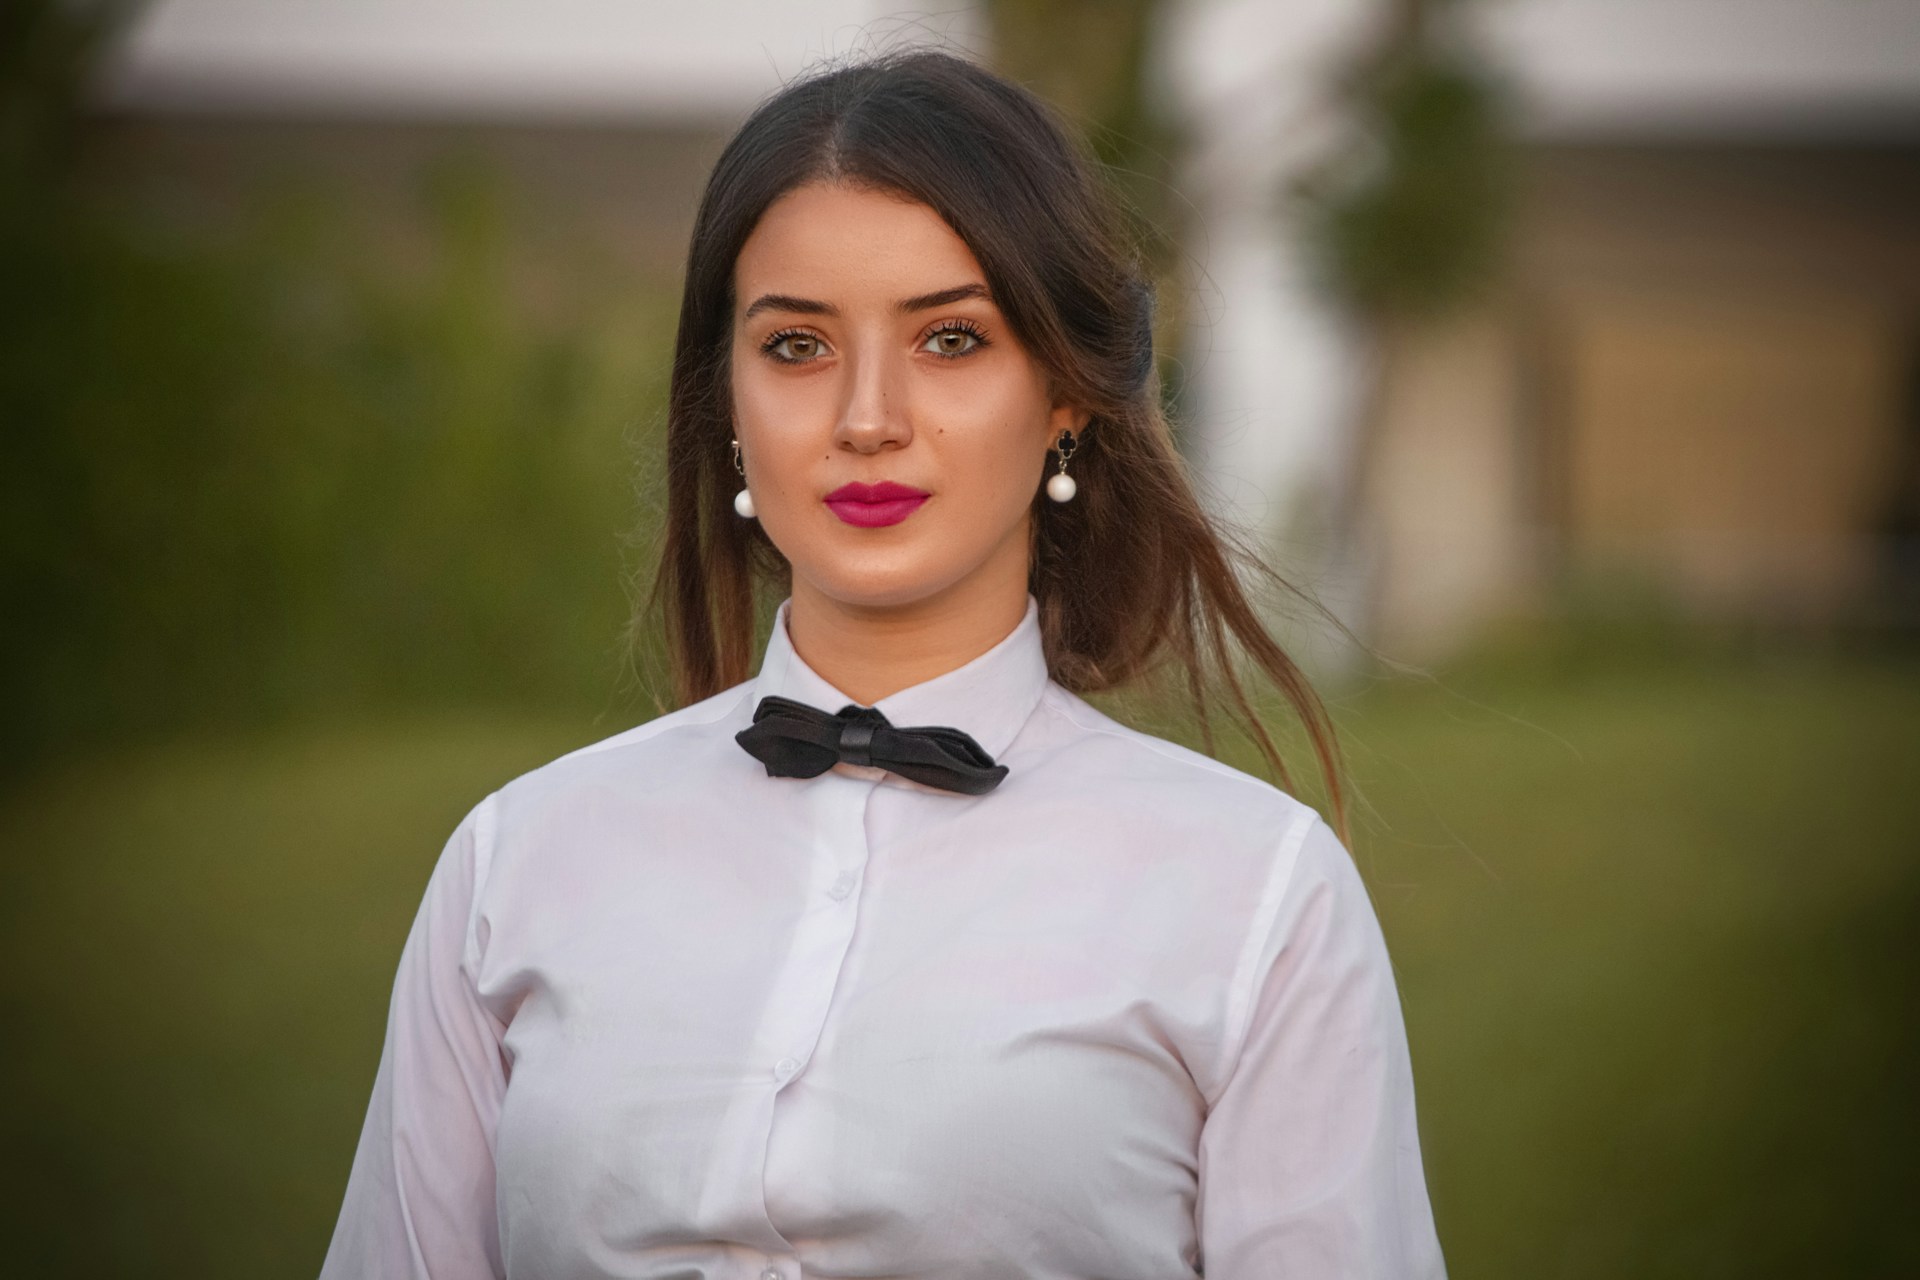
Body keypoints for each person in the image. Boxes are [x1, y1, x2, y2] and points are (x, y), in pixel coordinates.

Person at [319, 46, 1446, 1280]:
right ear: (727, 400)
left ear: (1067, 395)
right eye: (797, 346)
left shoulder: (1258, 898)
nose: (867, 416)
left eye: (951, 339)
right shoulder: (513, 865)